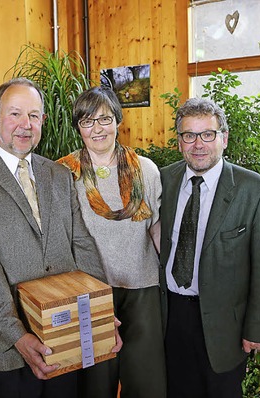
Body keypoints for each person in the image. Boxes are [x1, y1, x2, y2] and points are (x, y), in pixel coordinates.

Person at [0, 78, 122, 398]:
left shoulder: (58, 174)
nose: (25, 125)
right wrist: (18, 337)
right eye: (15, 114)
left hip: (65, 332)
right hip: (12, 344)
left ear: (42, 120)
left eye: (34, 115)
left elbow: (81, 244)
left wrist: (100, 311)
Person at [159, 97, 260, 398]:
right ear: (179, 142)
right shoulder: (163, 180)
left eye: (207, 134)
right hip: (170, 314)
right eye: (189, 135)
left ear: (224, 138)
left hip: (225, 324)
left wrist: (257, 328)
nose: (198, 144)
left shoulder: (257, 191)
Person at [57, 86, 166, 398]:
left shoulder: (146, 169)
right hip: (90, 293)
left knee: (145, 380)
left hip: (142, 286)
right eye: (87, 122)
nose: (97, 129)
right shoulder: (64, 173)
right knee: (95, 383)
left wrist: (169, 278)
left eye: (104, 119)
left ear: (118, 120)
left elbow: (155, 226)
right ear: (78, 128)